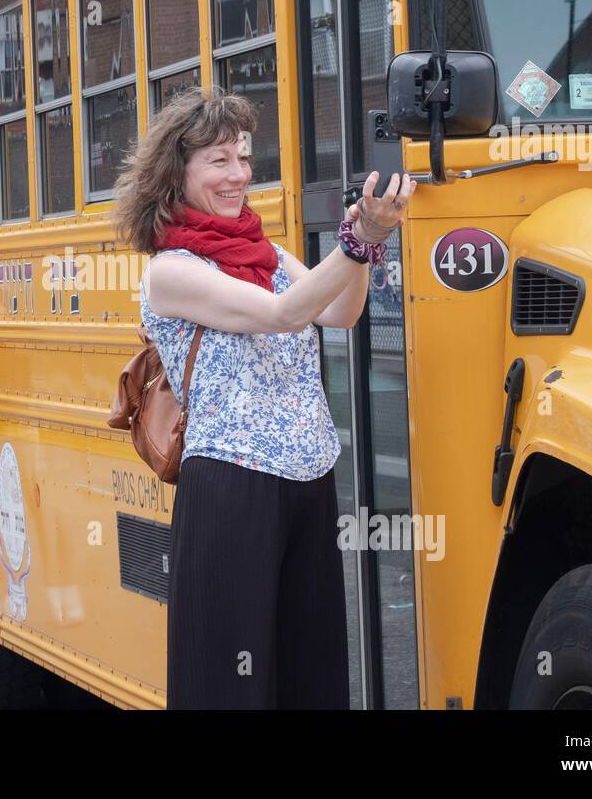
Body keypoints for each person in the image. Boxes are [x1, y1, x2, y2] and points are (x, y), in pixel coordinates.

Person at [112, 87, 415, 709]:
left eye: (244, 158)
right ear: (179, 172)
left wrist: (363, 240)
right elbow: (281, 314)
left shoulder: (267, 252)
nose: (239, 176)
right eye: (219, 161)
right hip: (232, 483)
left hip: (310, 476)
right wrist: (355, 242)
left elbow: (340, 311)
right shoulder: (171, 269)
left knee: (311, 673)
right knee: (228, 679)